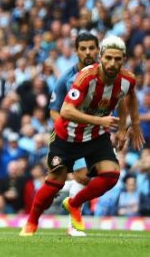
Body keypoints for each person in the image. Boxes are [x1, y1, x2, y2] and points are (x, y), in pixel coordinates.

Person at [20, 35, 145, 236]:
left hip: (95, 136)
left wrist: (128, 126)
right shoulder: (83, 77)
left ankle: (74, 204)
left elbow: (127, 96)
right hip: (67, 136)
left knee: (112, 175)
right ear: (102, 57)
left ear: (123, 60)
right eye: (109, 58)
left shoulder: (127, 79)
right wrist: (101, 121)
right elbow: (65, 111)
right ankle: (32, 222)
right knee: (54, 183)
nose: (113, 63)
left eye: (118, 59)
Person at [48, 32, 99, 237]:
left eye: (91, 48)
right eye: (83, 48)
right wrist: (67, 130)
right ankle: (74, 226)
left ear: (98, 50)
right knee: (83, 176)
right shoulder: (67, 78)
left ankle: (61, 187)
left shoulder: (108, 74)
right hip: (73, 135)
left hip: (97, 134)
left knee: (97, 177)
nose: (88, 52)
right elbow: (54, 109)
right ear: (77, 51)